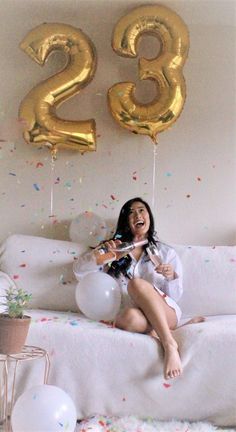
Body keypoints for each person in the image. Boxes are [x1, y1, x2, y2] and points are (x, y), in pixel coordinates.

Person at [73, 197, 203, 380]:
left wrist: (170, 276)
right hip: (136, 318)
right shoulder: (114, 252)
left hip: (167, 312)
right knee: (127, 318)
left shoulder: (165, 253)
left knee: (136, 284)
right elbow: (79, 272)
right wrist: (99, 254)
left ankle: (169, 344)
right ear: (126, 223)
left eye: (141, 210)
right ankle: (162, 331)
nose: (137, 215)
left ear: (149, 216)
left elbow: (175, 296)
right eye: (131, 213)